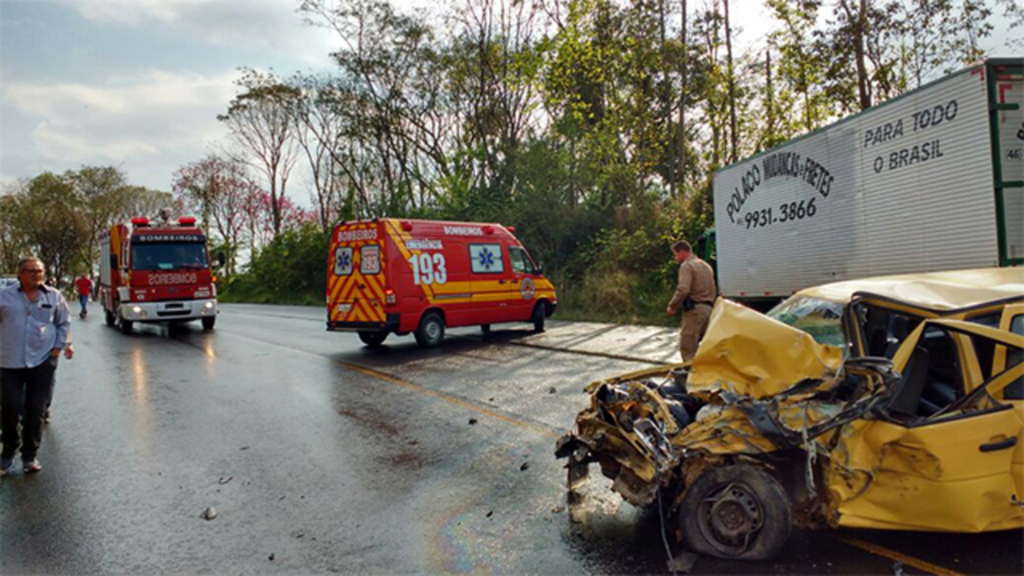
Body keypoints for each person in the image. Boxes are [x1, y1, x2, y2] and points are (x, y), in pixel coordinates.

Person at [0, 257, 73, 475]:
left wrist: (60, 347)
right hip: (8, 360)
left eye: (40, 271)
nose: (36, 275)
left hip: (42, 360)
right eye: (31, 271)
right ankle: (8, 450)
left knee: (36, 409)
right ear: (20, 274)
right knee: (10, 406)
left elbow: (64, 323)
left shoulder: (53, 295)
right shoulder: (4, 297)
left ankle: (30, 456)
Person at [666, 239, 717, 362]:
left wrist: (672, 306)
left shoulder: (686, 266)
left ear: (682, 252)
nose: (675, 258)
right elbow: (713, 289)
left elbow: (683, 289)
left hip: (694, 311)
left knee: (688, 347)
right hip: (709, 310)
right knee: (704, 347)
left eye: (676, 254)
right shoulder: (706, 265)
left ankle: (690, 378)